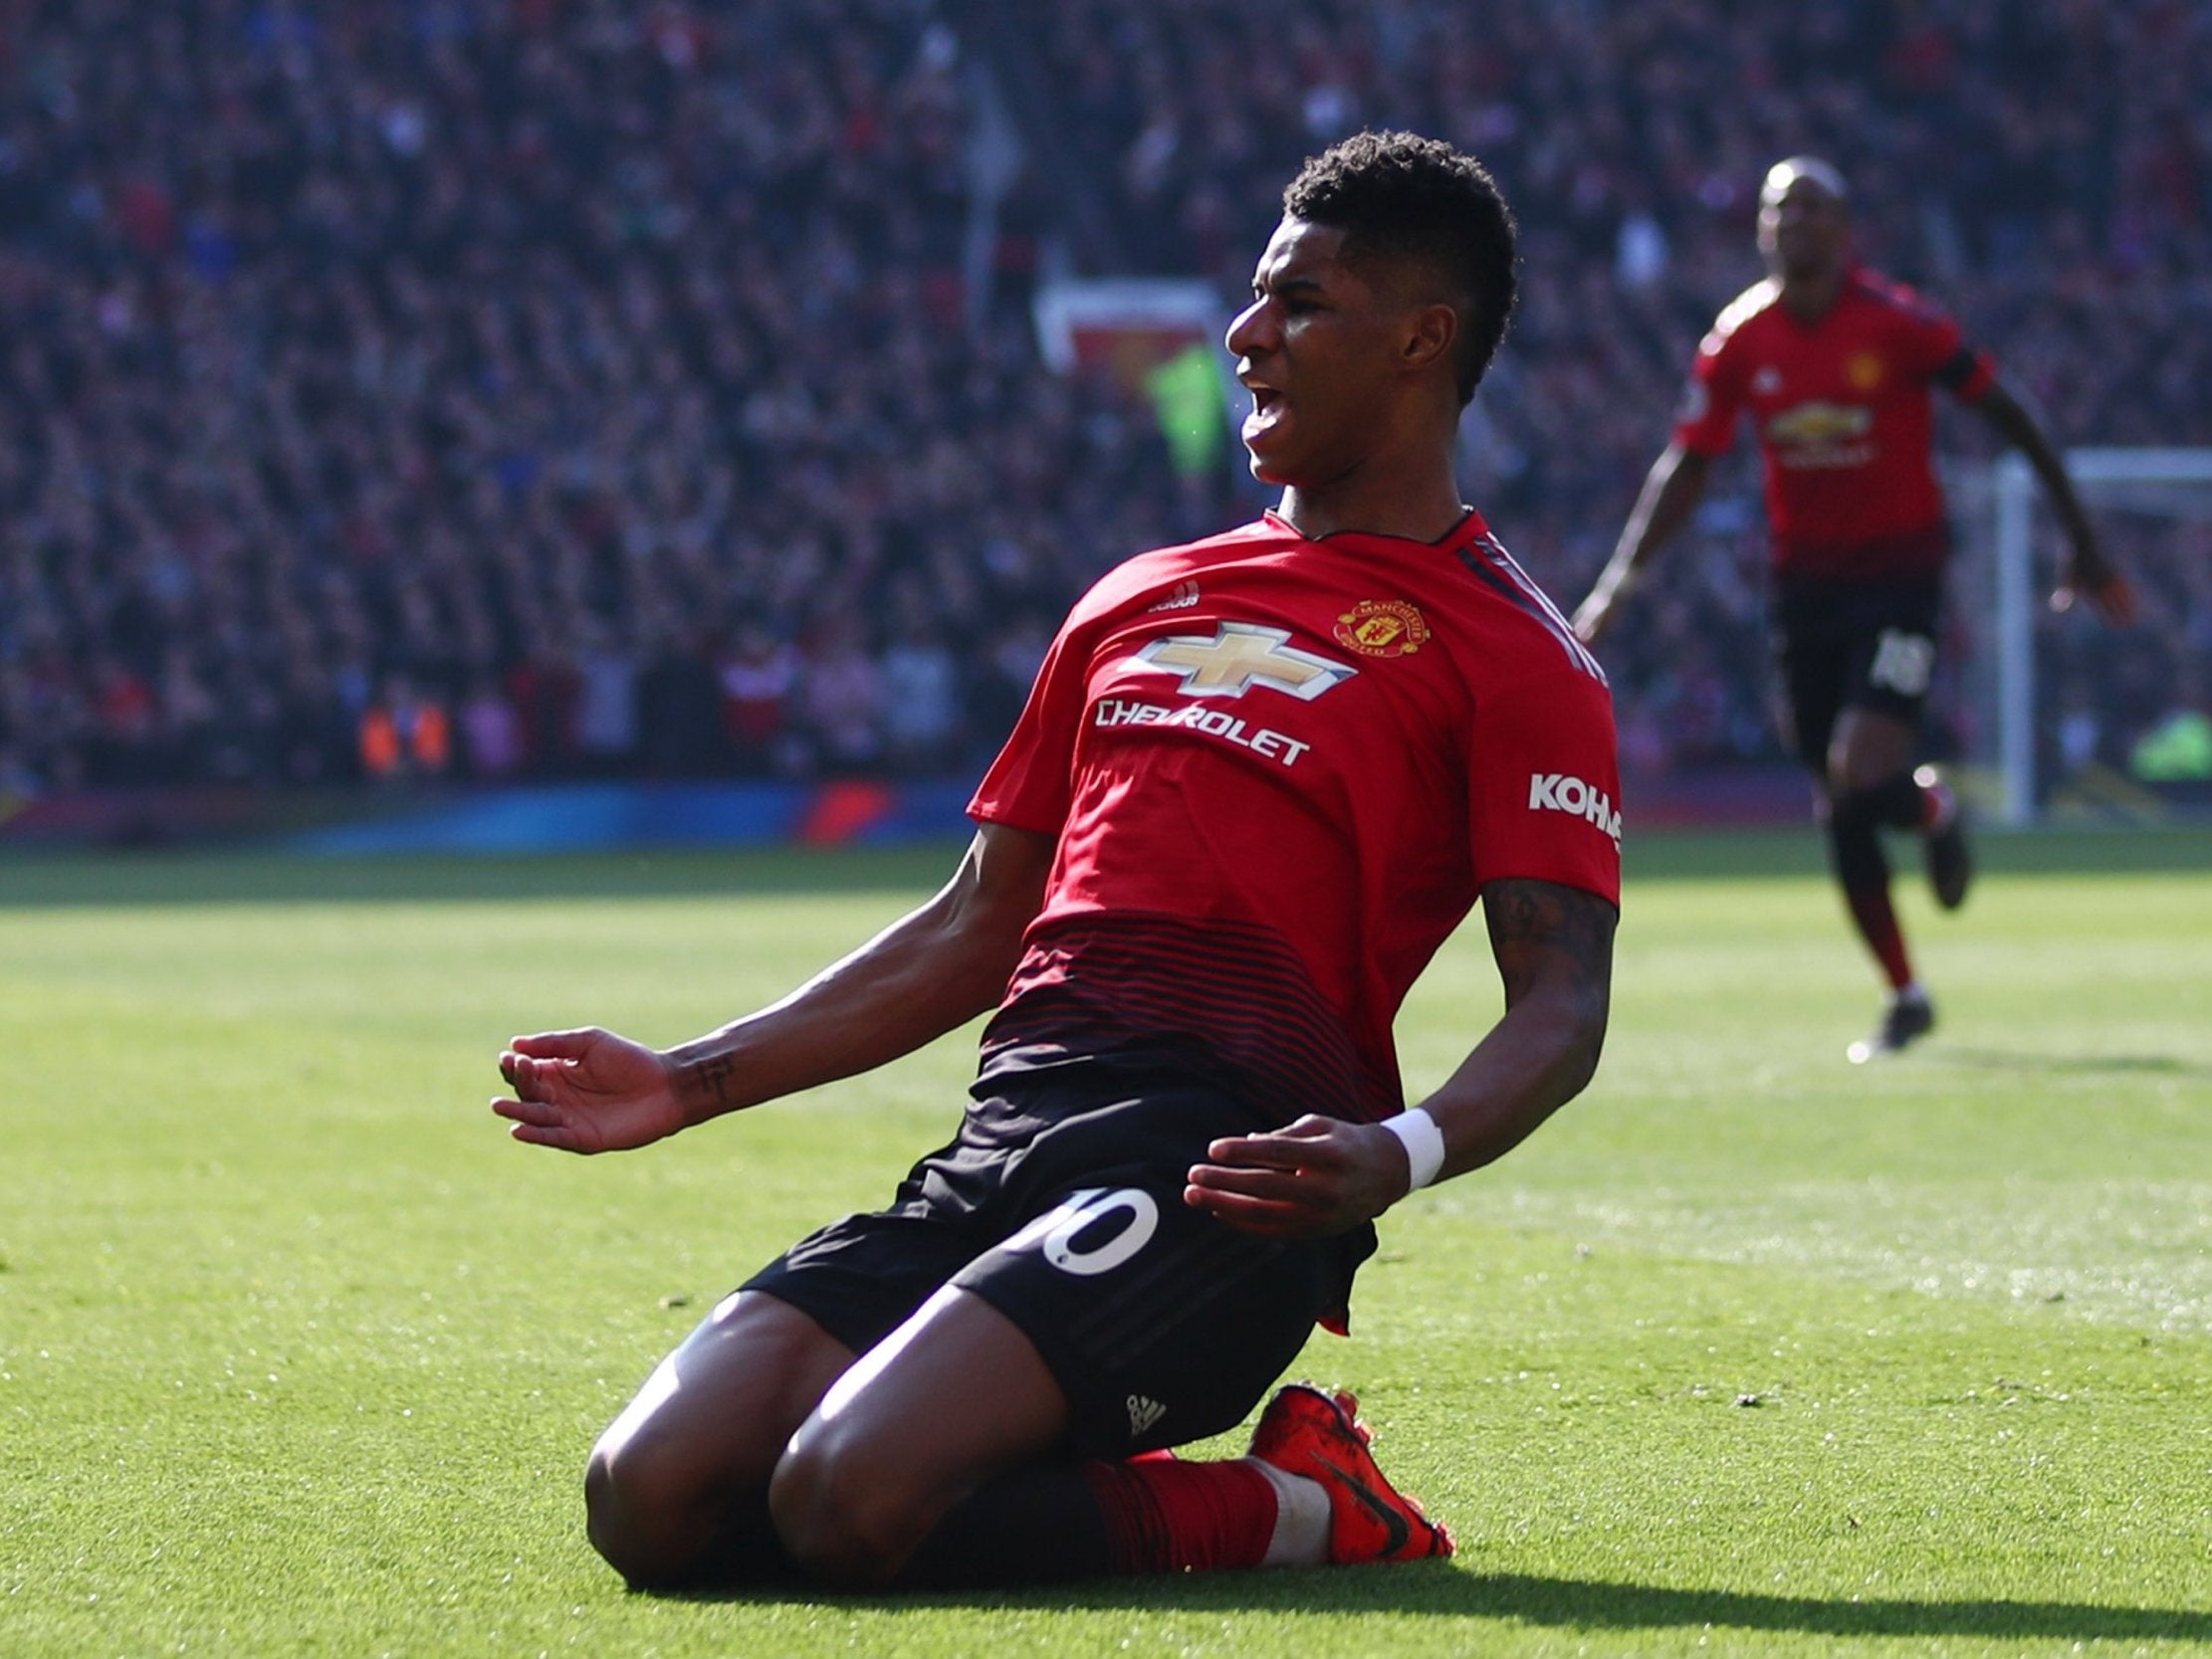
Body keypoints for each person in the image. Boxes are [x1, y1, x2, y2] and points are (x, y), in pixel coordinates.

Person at [491, 130, 1621, 1593]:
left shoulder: (1513, 654)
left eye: (1300, 305)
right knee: (648, 1498)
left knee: (848, 1495)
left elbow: (1561, 1003)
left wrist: (1390, 1157)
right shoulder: (1139, 595)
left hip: (1223, 1174)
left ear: (1421, 341)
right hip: (1006, 1147)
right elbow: (976, 923)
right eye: (1256, 295)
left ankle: (1295, 1501)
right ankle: (1011, 1434)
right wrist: (690, 1077)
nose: (1244, 332)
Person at [1573, 156, 2134, 1063]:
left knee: (1853, 766)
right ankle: (1905, 989)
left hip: (1901, 583)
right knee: (1839, 796)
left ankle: (1933, 812)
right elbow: (1689, 464)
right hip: (1805, 594)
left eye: (1814, 208)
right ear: (1760, 230)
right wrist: (1619, 583)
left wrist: (2081, 534)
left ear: (1845, 230)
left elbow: (2011, 412)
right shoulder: (1738, 340)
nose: (1794, 222)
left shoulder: (1900, 325)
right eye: (1778, 208)